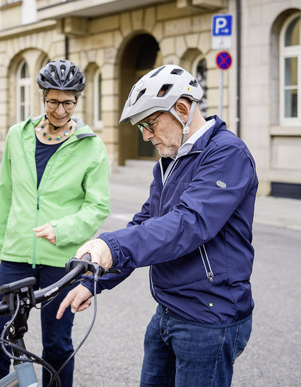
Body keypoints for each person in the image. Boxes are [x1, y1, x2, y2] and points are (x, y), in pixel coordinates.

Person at [57, 64, 258, 387]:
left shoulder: (227, 154)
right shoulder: (169, 161)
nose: (147, 136)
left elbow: (188, 224)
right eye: (141, 128)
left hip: (208, 318)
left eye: (150, 124)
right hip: (167, 311)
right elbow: (147, 222)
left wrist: (113, 245)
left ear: (181, 108)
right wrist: (94, 279)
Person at [0, 59, 110, 387]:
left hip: (59, 258)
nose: (60, 110)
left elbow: (98, 206)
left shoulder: (92, 147)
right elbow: (5, 195)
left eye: (68, 102)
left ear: (77, 99)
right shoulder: (17, 137)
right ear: (42, 97)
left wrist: (62, 229)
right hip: (16, 254)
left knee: (58, 345)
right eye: (53, 101)